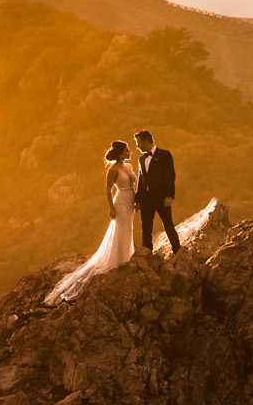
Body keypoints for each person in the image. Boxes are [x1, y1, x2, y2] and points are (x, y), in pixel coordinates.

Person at [45, 140, 138, 304]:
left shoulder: (129, 167)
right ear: (119, 153)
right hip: (121, 201)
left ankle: (126, 257)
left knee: (128, 228)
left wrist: (137, 201)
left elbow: (133, 185)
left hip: (130, 201)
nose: (129, 152)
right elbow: (108, 189)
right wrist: (111, 207)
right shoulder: (113, 170)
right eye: (126, 150)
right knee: (121, 229)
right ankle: (119, 261)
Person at [135, 129, 179, 255]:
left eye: (139, 143)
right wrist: (137, 199)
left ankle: (177, 250)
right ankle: (147, 253)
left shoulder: (165, 155)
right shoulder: (141, 160)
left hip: (162, 198)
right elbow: (141, 179)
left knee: (168, 224)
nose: (137, 147)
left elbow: (170, 176)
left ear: (145, 141)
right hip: (146, 199)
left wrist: (169, 195)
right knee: (146, 228)